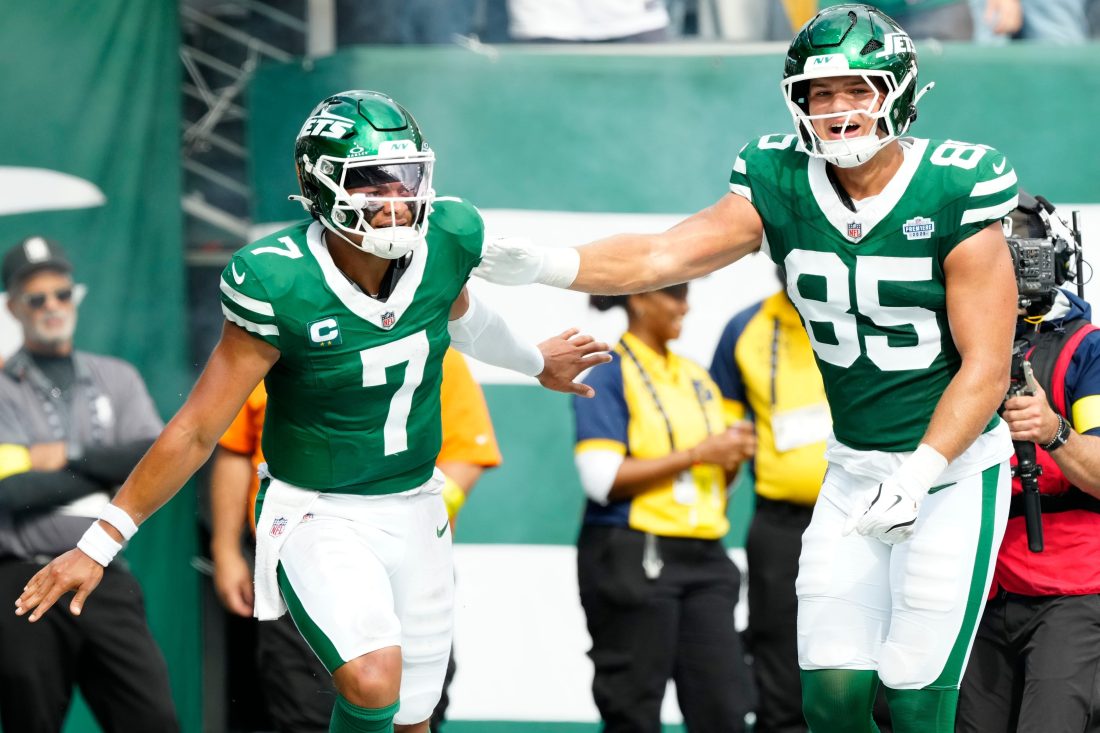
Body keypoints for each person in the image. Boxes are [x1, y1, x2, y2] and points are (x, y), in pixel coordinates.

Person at [473, 5, 1021, 730]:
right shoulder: (777, 177)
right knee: (827, 696)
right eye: (819, 94)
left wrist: (920, 471)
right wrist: (547, 263)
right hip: (856, 469)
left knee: (917, 696)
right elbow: (664, 255)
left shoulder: (956, 185)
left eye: (856, 88)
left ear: (899, 91)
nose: (838, 109)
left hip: (951, 474)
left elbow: (985, 367)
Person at [14, 90, 609, 733]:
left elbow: (467, 318)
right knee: (372, 681)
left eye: (406, 179)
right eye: (372, 182)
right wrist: (99, 544)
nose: (396, 200)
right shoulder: (280, 280)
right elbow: (195, 431)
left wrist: (535, 361)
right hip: (319, 510)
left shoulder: (445, 240)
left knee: (413, 719)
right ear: (319, 186)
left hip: (417, 506)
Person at [210, 349, 502, 733]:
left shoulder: (429, 342)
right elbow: (234, 447)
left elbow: (465, 454)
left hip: (407, 560)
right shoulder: (283, 336)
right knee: (303, 705)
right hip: (304, 556)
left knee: (414, 710)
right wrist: (226, 548)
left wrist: (404, 516)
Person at [0, 237, 179, 732]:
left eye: (61, 294)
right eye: (37, 299)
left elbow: (154, 457)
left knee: (153, 719)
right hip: (23, 579)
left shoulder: (116, 377)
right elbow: (11, 492)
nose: (52, 307)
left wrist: (64, 459)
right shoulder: (2, 386)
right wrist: (106, 464)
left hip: (102, 566)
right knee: (30, 720)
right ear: (14, 307)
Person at [572, 283, 755, 733]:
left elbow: (714, 481)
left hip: (705, 556)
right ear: (639, 298)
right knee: (633, 708)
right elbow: (602, 480)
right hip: (634, 553)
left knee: (725, 708)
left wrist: (730, 456)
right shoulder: (607, 372)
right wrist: (698, 453)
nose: (685, 306)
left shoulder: (696, 376)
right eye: (674, 295)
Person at [956, 195, 1100, 733]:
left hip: (1072, 591)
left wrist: (1052, 430)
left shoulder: (1087, 351)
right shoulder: (956, 352)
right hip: (978, 588)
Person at [708, 282, 828, 733]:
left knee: (874, 658)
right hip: (781, 522)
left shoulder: (869, 312)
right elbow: (722, 429)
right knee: (778, 656)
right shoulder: (745, 327)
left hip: (868, 519)